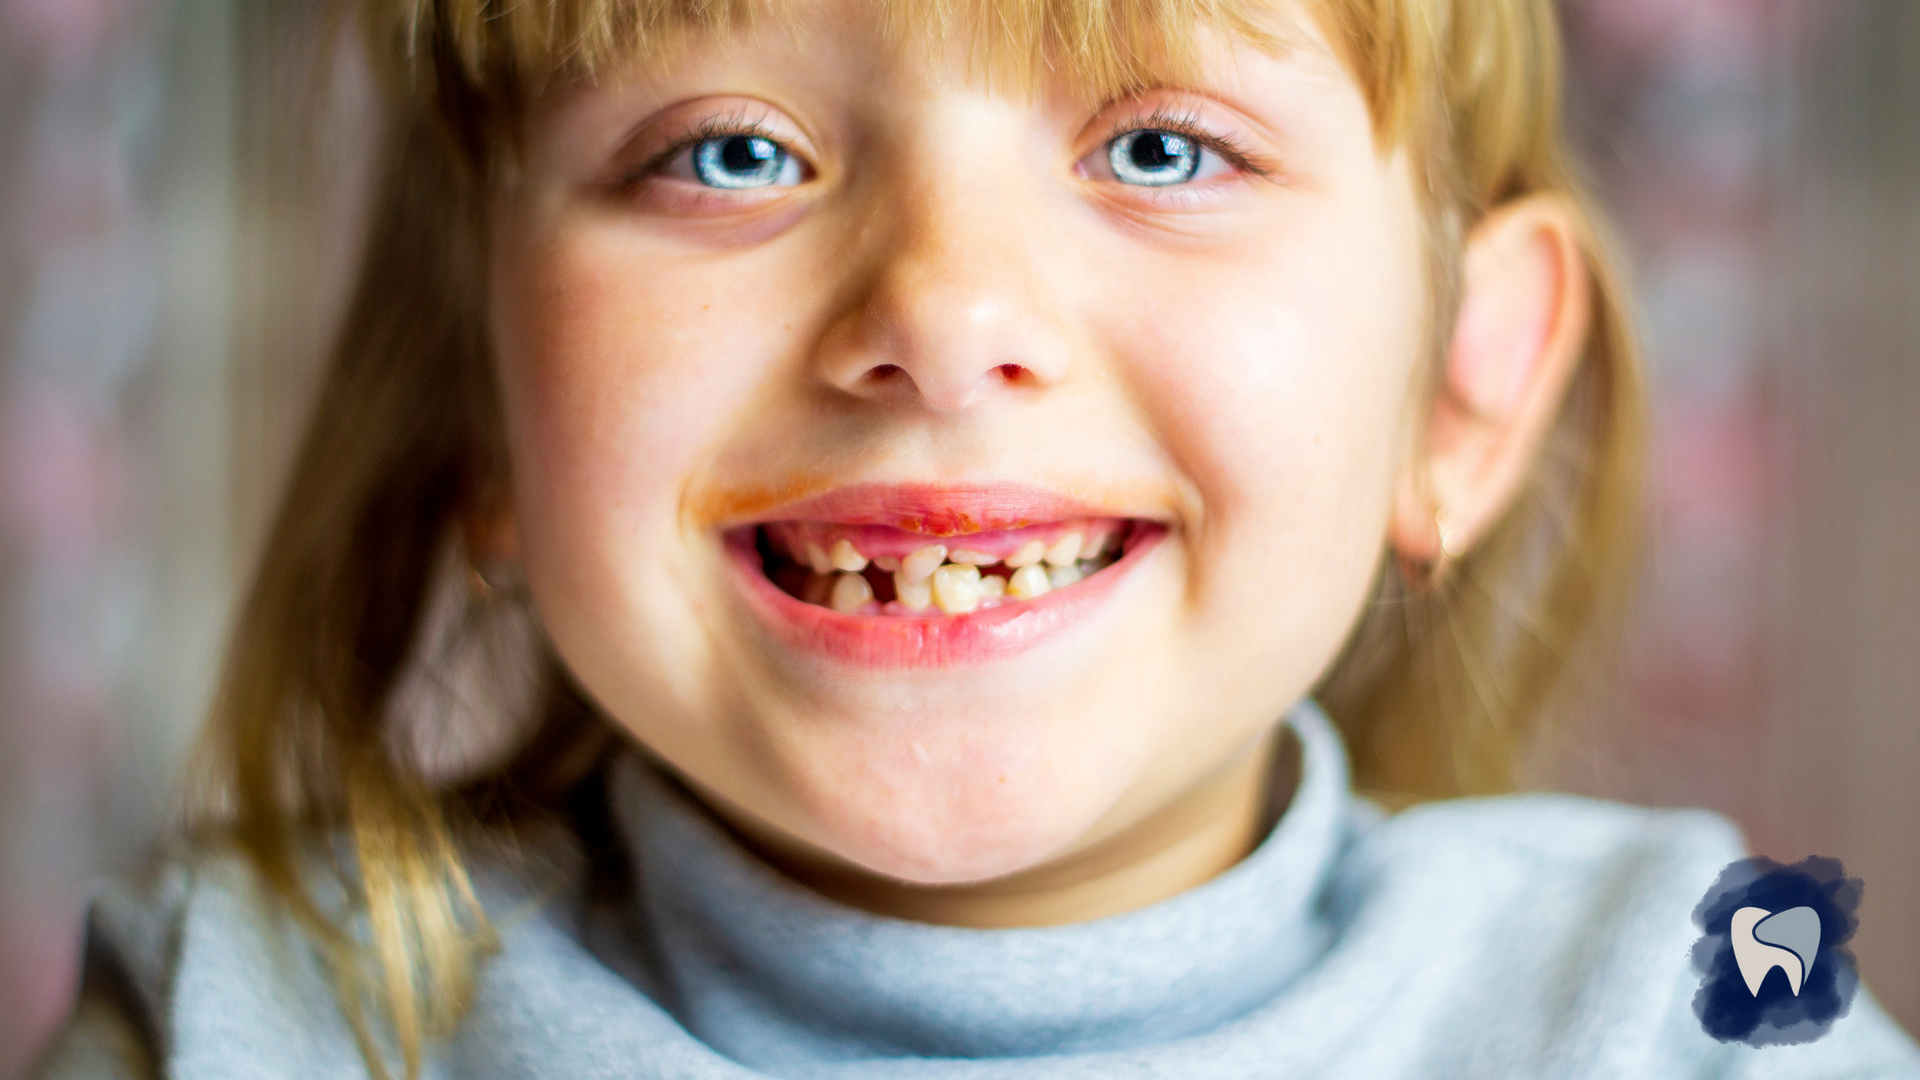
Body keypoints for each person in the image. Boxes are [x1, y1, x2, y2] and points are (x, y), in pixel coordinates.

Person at [31, 0, 1920, 1077]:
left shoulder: (1692, 1020)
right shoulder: (247, 1028)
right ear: (484, 395)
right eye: (729, 151)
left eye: (1164, 151)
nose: (940, 312)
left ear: (1465, 393)